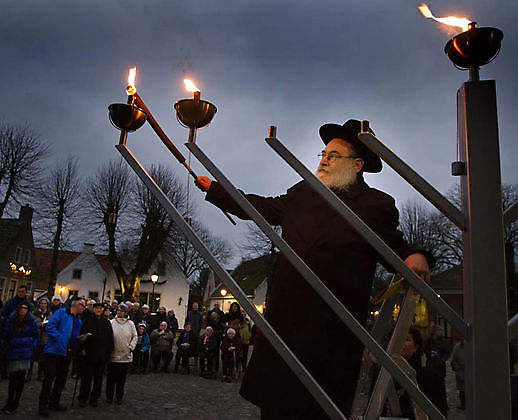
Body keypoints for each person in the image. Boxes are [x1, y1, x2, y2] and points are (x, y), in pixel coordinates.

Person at [196, 119, 433, 418]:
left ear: (357, 164)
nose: (323, 161)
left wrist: (415, 256)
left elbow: (393, 246)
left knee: (321, 410)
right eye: (322, 154)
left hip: (333, 335)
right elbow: (261, 208)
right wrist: (217, 191)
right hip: (285, 328)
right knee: (277, 409)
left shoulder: (376, 206)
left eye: (333, 156)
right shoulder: (302, 194)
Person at [38, 298, 84, 417]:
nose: (83, 308)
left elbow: (75, 334)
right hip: (55, 351)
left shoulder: (78, 320)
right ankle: (43, 404)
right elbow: (50, 326)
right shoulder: (61, 313)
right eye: (83, 306)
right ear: (77, 305)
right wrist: (59, 338)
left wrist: (79, 339)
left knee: (61, 379)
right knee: (49, 379)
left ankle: (55, 401)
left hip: (68, 352)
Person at [1, 302, 39, 414]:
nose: (23, 310)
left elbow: (36, 335)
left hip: (25, 352)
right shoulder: (12, 320)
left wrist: (32, 346)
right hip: (13, 350)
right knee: (12, 378)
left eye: (25, 308)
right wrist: (5, 346)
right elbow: (6, 334)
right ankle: (10, 400)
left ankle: (16, 401)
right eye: (21, 308)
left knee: (20, 378)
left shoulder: (31, 321)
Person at [77, 302, 114, 407]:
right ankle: (83, 397)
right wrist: (82, 348)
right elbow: (82, 335)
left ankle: (94, 398)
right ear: (93, 309)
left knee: (98, 379)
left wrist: (108, 352)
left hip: (101, 355)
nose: (99, 310)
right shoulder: (87, 321)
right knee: (86, 378)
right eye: (97, 308)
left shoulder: (106, 322)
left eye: (100, 308)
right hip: (89, 353)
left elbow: (110, 338)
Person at [106, 304, 136, 404]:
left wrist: (131, 347)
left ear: (126, 313)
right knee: (111, 378)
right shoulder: (111, 322)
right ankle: (109, 396)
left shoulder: (131, 324)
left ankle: (119, 396)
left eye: (122, 311)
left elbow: (135, 336)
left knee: (121, 379)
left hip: (125, 355)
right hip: (113, 354)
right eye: (118, 311)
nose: (120, 313)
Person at [423, 325, 450, 415]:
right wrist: (430, 354)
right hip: (430, 366)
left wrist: (442, 360)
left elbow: (447, 353)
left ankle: (443, 404)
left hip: (440, 368)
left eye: (441, 331)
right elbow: (425, 349)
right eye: (439, 331)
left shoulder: (444, 341)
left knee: (441, 387)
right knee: (431, 386)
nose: (440, 332)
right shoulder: (429, 341)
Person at [31, 297, 51, 381]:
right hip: (35, 337)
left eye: (45, 303)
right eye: (42, 303)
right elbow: (32, 323)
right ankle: (29, 373)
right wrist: (40, 325)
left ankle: (40, 373)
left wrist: (47, 325)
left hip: (45, 338)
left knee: (42, 358)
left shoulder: (49, 314)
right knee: (32, 357)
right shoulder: (34, 313)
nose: (43, 305)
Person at [451, 338, 465, 410]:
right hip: (461, 371)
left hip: (470, 371)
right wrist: (457, 368)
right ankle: (463, 404)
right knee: (462, 390)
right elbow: (453, 360)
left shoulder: (472, 346)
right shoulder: (457, 347)